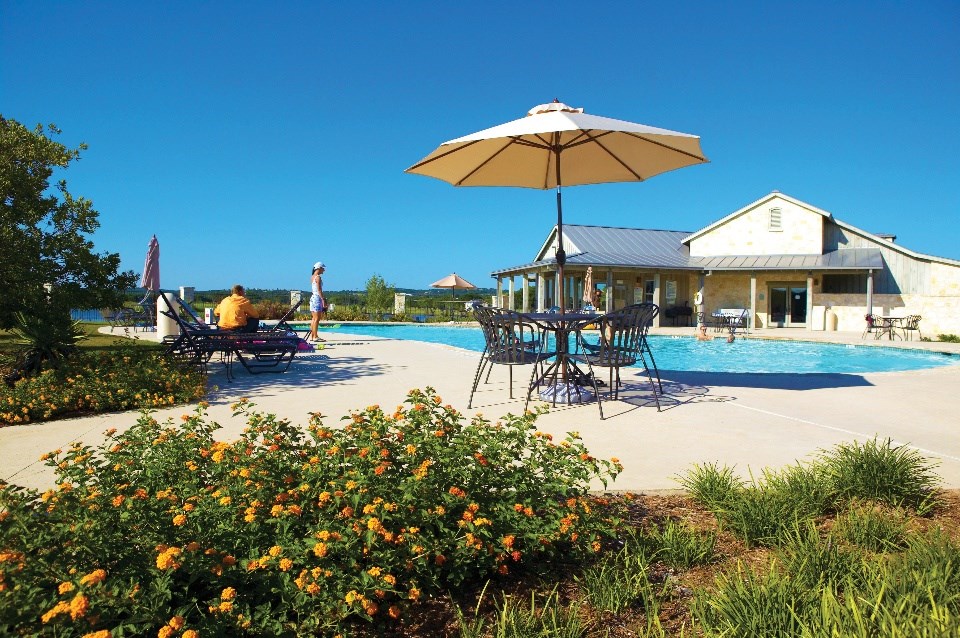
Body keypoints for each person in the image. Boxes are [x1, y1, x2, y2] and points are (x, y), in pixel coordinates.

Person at [308, 261, 326, 342]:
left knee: (314, 318)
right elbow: (319, 290)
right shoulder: (318, 277)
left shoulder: (312, 277)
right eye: (323, 268)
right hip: (317, 299)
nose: (324, 270)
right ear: (319, 268)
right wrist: (323, 300)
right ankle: (315, 336)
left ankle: (313, 336)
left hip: (313, 298)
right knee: (317, 318)